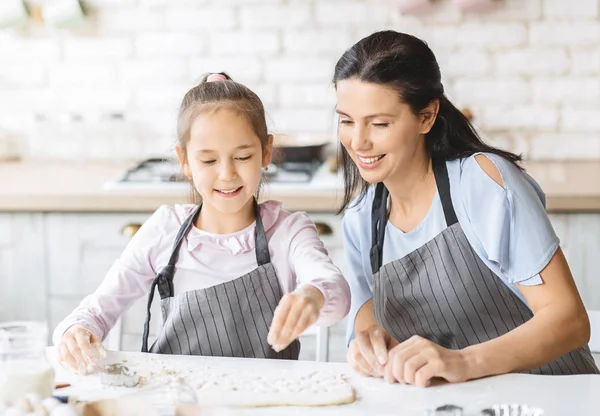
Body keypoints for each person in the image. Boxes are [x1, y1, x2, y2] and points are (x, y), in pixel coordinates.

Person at [334, 30, 599, 387]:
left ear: (426, 117)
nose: (358, 141)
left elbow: (569, 321)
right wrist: (366, 343)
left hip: (551, 394)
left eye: (379, 124)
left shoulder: (483, 183)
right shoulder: (362, 218)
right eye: (347, 120)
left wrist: (463, 362)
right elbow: (368, 313)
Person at [54, 72, 351, 374]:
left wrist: (313, 294)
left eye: (243, 156)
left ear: (266, 152)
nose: (226, 174)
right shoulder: (165, 230)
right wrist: (76, 330)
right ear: (184, 160)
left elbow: (335, 293)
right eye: (209, 161)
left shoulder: (288, 231)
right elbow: (100, 307)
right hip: (176, 398)